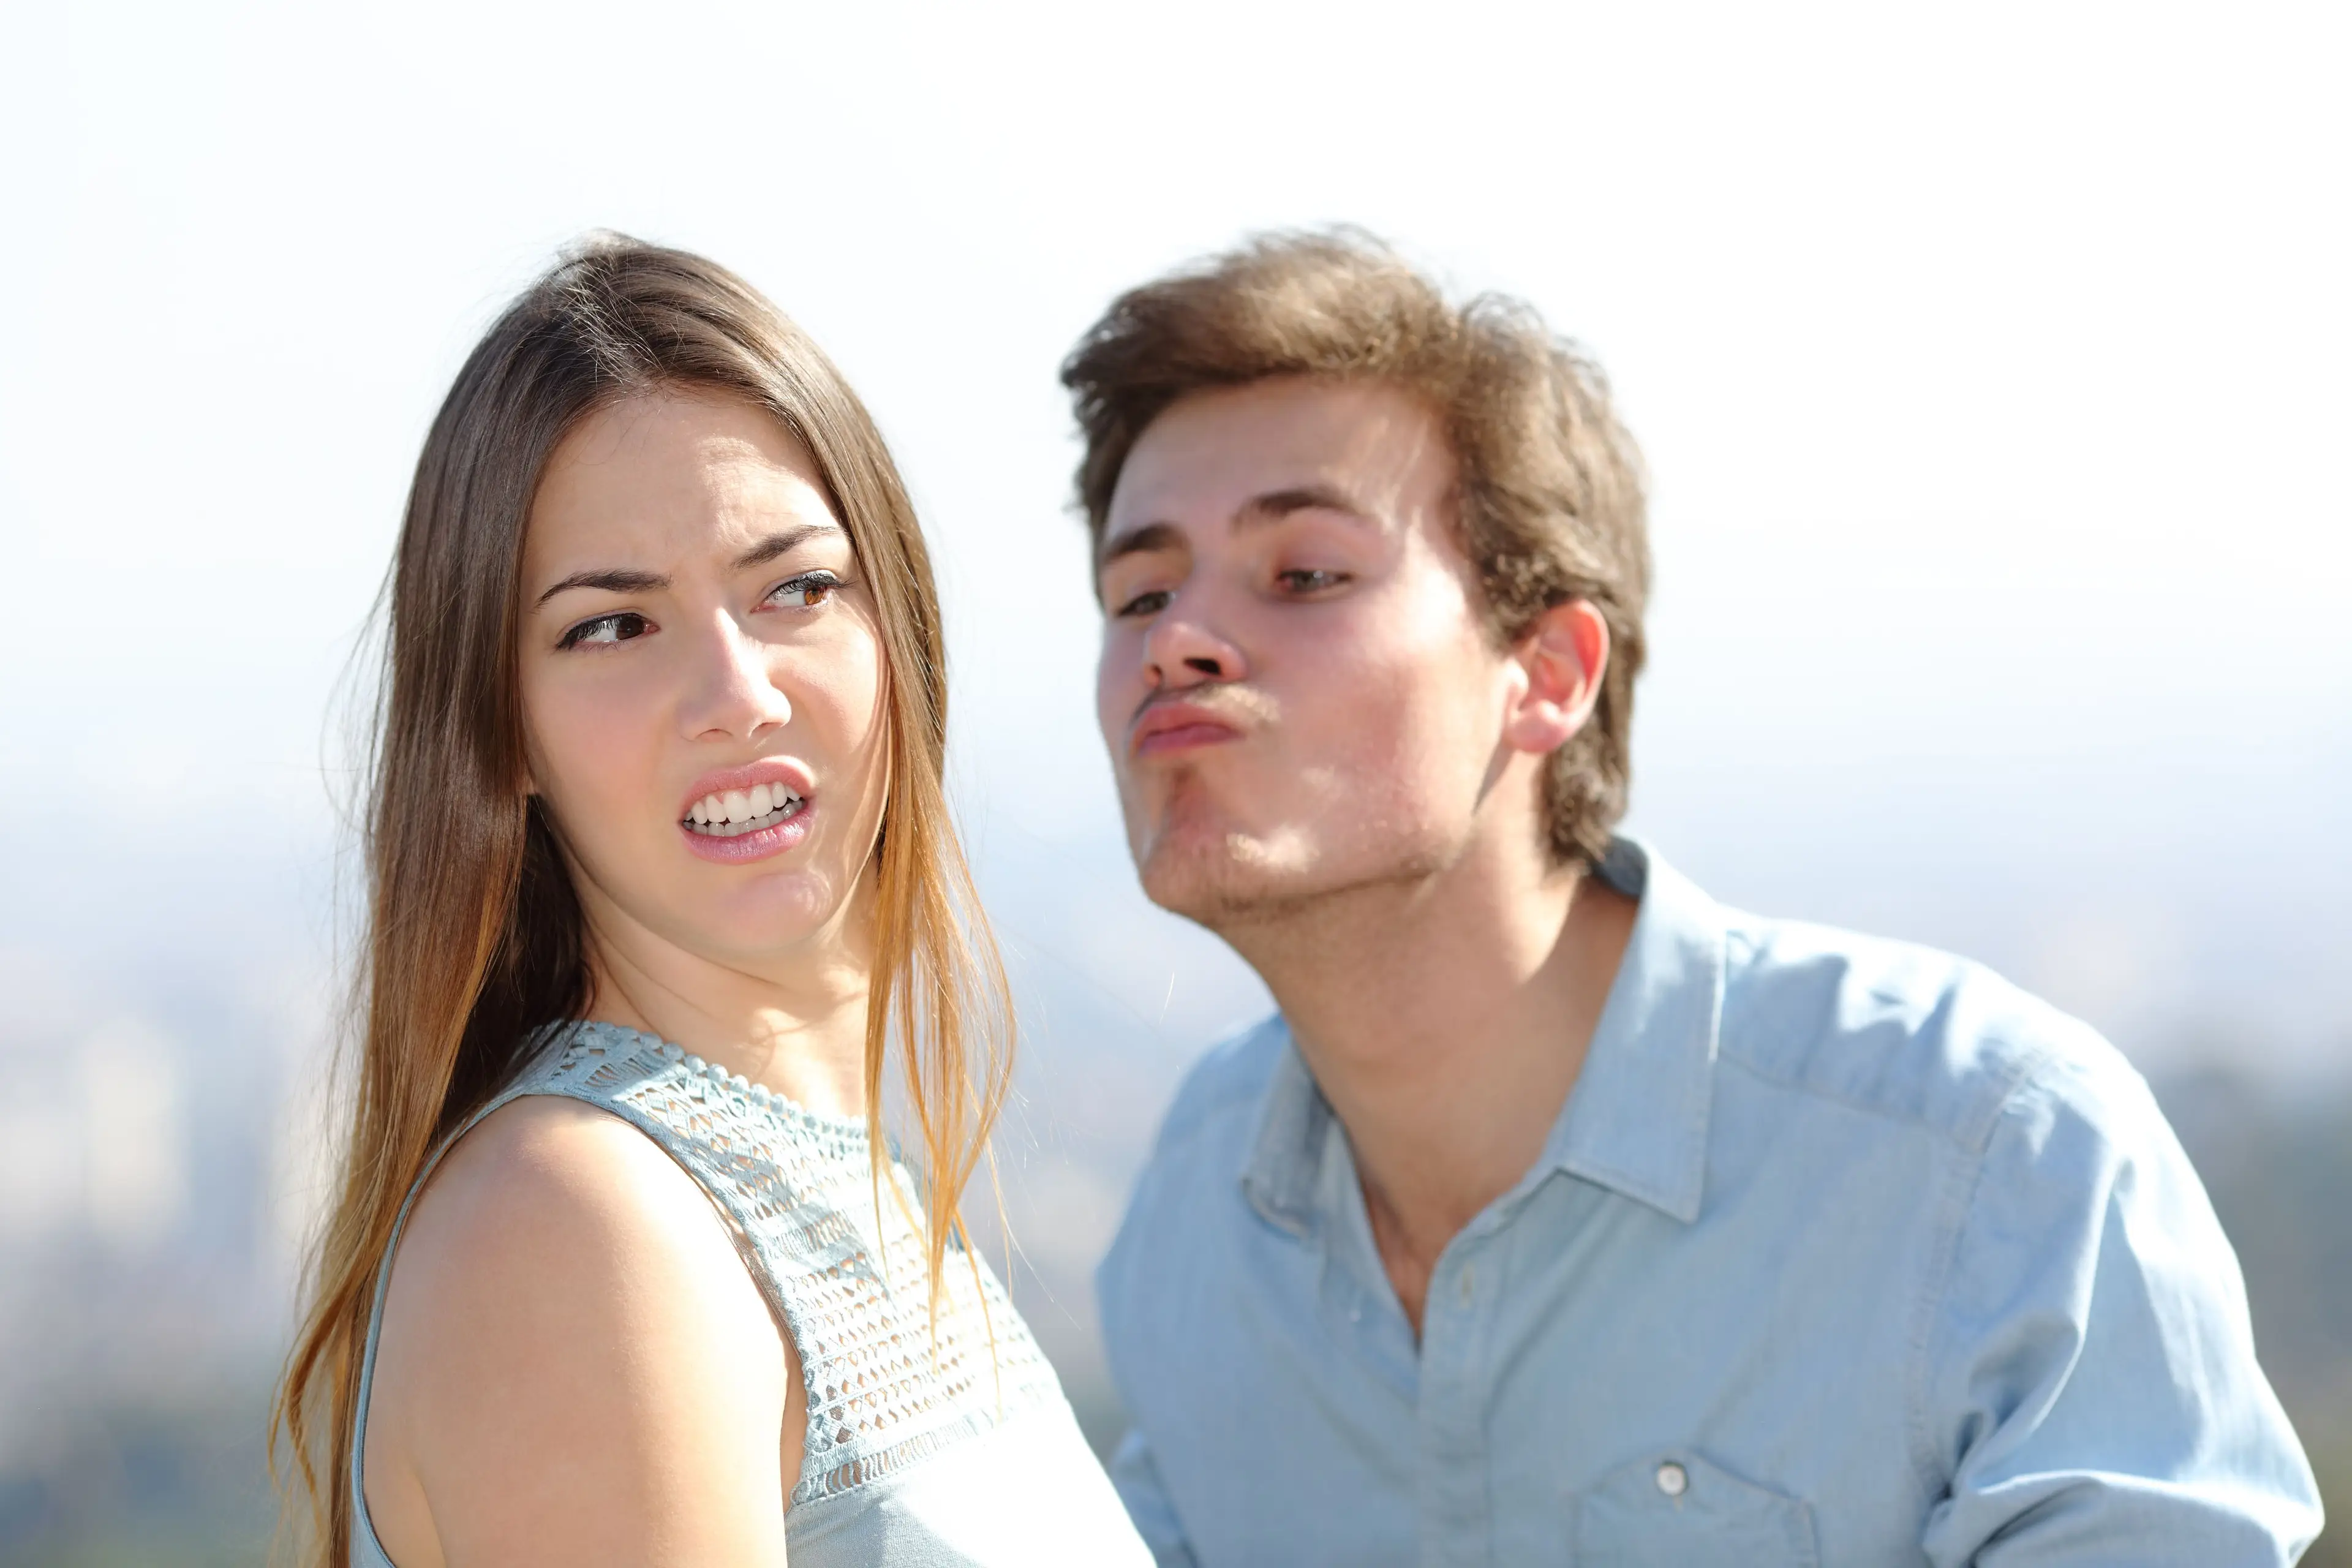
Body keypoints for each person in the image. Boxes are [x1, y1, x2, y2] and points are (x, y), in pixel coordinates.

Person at [1064, 230, 2324, 1566]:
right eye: (1140, 589)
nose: (1174, 642)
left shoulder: (1994, 1165)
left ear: (1549, 670)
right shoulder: (1197, 1214)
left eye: (1306, 572)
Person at [273, 236, 1150, 1567]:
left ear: (897, 630)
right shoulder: (580, 1224)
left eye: (795, 586)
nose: (738, 691)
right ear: (500, 731)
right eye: (614, 626)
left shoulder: (850, 1176)